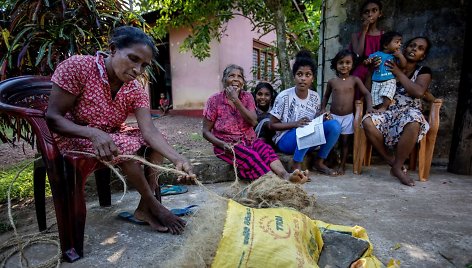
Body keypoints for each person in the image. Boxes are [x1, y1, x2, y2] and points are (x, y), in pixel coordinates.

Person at [45, 26, 196, 235]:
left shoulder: (134, 89)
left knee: (158, 143)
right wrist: (93, 133)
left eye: (144, 65)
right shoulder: (79, 66)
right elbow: (52, 117)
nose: (138, 70)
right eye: (133, 59)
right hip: (73, 137)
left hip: (110, 138)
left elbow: (149, 131)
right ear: (113, 49)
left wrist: (178, 159)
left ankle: (145, 208)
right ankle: (156, 207)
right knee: (123, 144)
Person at [202, 64, 308, 183]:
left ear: (243, 82)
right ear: (224, 80)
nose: (236, 79)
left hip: (250, 140)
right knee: (252, 157)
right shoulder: (214, 100)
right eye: (231, 75)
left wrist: (236, 100)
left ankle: (285, 176)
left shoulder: (247, 97)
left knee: (266, 150)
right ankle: (272, 183)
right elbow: (205, 131)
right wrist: (222, 144)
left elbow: (253, 121)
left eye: (240, 77)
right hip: (227, 145)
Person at [362, 36, 433, 186]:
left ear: (423, 56)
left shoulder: (423, 71)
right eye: (412, 45)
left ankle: (398, 166)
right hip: (387, 111)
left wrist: (398, 73)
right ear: (403, 48)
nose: (414, 49)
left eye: (420, 48)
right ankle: (393, 163)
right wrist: (371, 71)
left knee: (414, 120)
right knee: (367, 121)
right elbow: (368, 90)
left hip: (409, 111)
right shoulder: (387, 63)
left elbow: (419, 92)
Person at [270, 50, 342, 176]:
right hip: (285, 140)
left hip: (308, 137)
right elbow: (272, 125)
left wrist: (323, 118)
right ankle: (296, 165)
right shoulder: (284, 96)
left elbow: (315, 121)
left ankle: (319, 162)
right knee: (308, 128)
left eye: (308, 75)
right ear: (294, 76)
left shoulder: (315, 97)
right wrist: (295, 124)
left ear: (312, 78)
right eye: (299, 74)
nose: (303, 78)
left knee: (335, 125)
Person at [321, 49, 374, 175]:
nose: (344, 65)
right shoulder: (332, 81)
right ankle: (329, 160)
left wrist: (370, 108)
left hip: (348, 117)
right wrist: (322, 109)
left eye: (347, 62)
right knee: (331, 141)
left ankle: (342, 165)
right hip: (333, 117)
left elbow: (366, 93)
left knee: (345, 142)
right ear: (336, 65)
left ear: (352, 65)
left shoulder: (354, 80)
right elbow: (325, 96)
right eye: (341, 63)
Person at [365, 31, 407, 112]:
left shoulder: (394, 56)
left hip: (389, 80)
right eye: (397, 42)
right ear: (385, 45)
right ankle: (379, 109)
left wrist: (400, 56)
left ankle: (384, 107)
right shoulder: (375, 55)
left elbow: (403, 65)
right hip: (376, 81)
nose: (399, 45)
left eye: (400, 43)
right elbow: (366, 62)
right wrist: (367, 62)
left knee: (387, 94)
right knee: (375, 98)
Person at [350, 0, 384, 99]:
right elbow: (358, 54)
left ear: (380, 14)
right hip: (362, 69)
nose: (370, 14)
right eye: (366, 12)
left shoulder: (384, 35)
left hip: (378, 69)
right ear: (362, 16)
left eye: (374, 11)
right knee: (358, 98)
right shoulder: (356, 36)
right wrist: (364, 30)